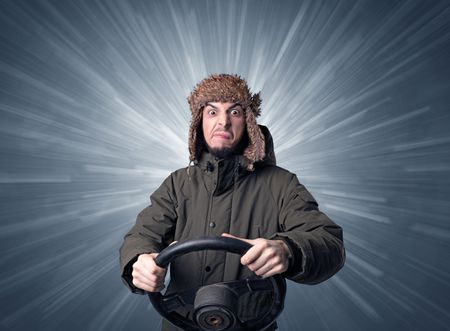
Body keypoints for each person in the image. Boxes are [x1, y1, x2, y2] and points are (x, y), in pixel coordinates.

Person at [119, 74, 345, 330]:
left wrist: (288, 250)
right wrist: (139, 260)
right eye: (212, 111)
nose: (223, 122)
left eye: (234, 112)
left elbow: (330, 243)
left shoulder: (282, 184)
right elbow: (141, 235)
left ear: (248, 122)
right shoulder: (177, 184)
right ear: (199, 123)